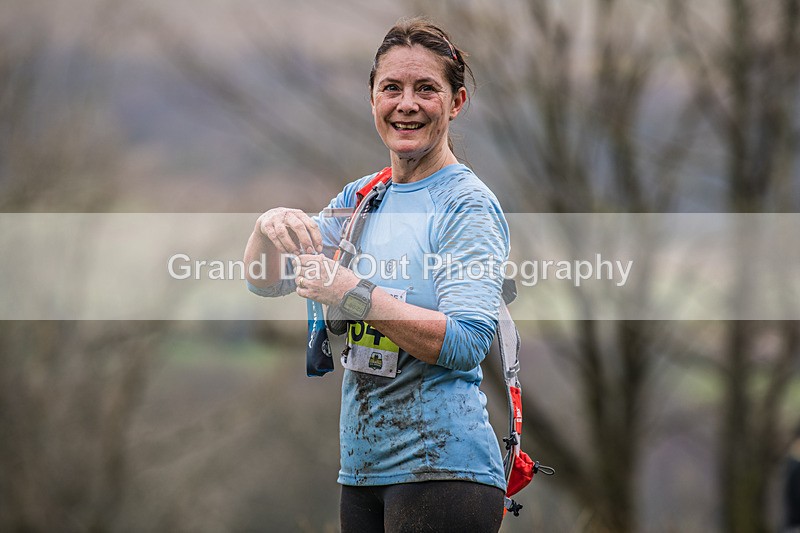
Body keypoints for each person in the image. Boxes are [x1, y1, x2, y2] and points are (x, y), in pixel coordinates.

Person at [244, 17, 510, 532]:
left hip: (445, 471)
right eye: (392, 88)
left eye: (426, 89)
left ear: (455, 104)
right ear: (372, 99)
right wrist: (265, 228)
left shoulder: (466, 206)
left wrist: (353, 293)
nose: (406, 103)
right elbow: (266, 279)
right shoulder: (362, 198)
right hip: (363, 473)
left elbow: (467, 341)